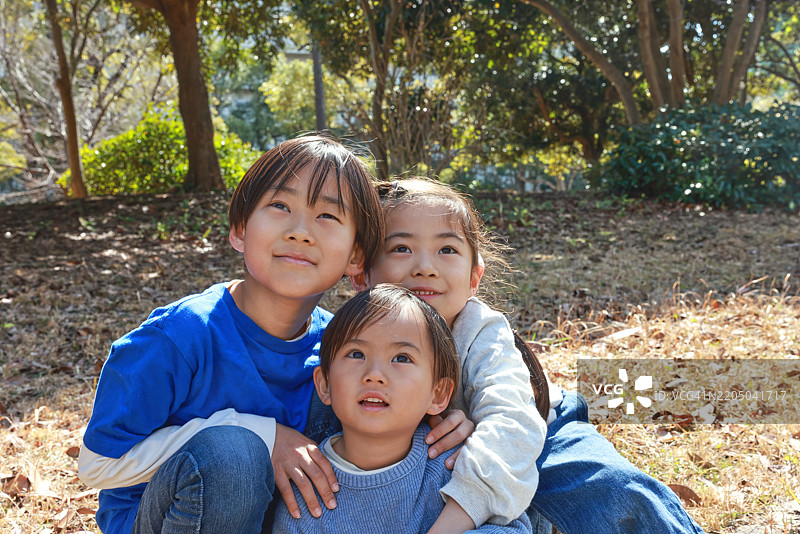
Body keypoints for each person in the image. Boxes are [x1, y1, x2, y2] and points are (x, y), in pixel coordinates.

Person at [354, 177, 705, 534]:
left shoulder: (481, 333)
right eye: (401, 248)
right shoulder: (352, 339)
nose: (425, 267)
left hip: (537, 429)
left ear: (474, 278)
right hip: (451, 458)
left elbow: (512, 423)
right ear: (362, 273)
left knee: (617, 489)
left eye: (447, 250)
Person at [77, 136, 388, 534]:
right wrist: (259, 434)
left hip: (276, 520)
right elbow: (96, 465)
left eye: (327, 215)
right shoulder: (181, 335)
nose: (300, 232)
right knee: (234, 458)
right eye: (280, 206)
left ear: (355, 255)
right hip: (165, 519)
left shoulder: (340, 346)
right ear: (240, 229)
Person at [273, 284, 531, 534]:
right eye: (356, 354)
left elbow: (513, 528)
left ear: (438, 394)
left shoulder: (454, 466)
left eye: (401, 358)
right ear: (325, 384)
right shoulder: (308, 488)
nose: (374, 375)